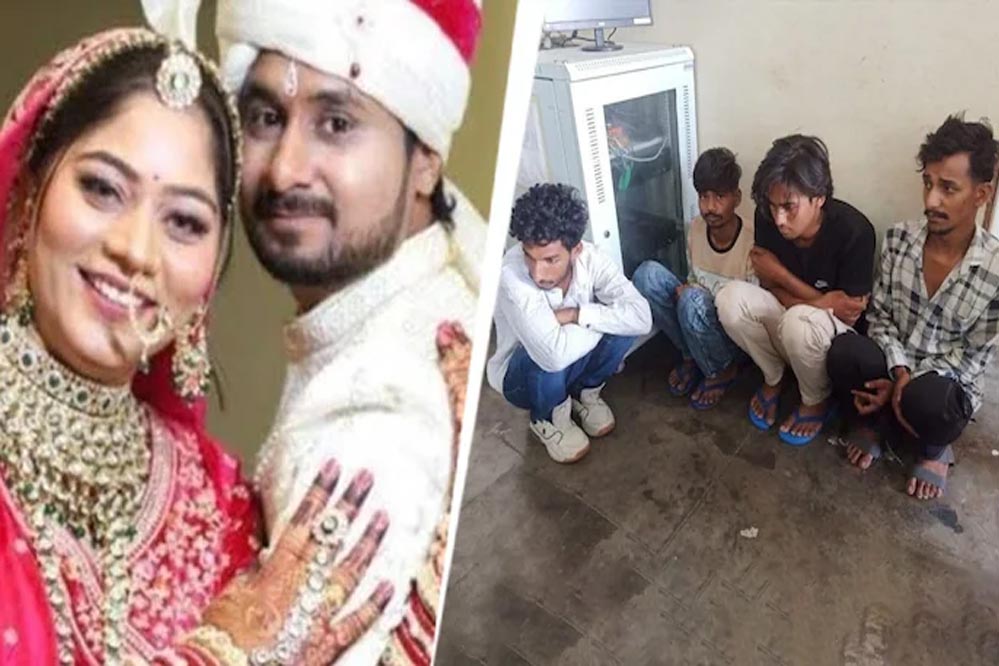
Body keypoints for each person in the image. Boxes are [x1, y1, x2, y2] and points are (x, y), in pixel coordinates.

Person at [0, 27, 396, 665]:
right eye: (102, 188)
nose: (135, 250)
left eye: (184, 221)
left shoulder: (218, 504)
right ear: (28, 193)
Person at [210, 1, 487, 663]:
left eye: (336, 124)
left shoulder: (374, 419)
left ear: (426, 161)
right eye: (265, 118)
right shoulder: (402, 311)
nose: (285, 170)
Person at [827, 115, 999, 500]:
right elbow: (881, 317)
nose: (931, 200)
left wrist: (907, 386)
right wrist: (899, 372)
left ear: (981, 195)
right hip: (895, 366)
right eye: (928, 183)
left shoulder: (995, 270)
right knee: (844, 350)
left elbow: (972, 359)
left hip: (939, 387)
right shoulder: (898, 240)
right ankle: (876, 422)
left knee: (932, 400)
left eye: (948, 188)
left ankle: (933, 450)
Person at [715, 134, 876, 446]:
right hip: (791, 325)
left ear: (819, 197)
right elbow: (768, 287)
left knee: (799, 322)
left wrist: (782, 276)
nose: (779, 219)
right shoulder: (766, 217)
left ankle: (816, 399)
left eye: (789, 207)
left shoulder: (854, 231)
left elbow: (849, 316)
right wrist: (823, 300)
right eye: (773, 206)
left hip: (828, 342)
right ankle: (773, 377)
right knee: (729, 298)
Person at [487, 183, 652, 463]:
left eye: (551, 260)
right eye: (529, 256)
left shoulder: (591, 257)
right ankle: (547, 419)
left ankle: (584, 392)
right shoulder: (511, 274)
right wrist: (601, 317)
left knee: (623, 326)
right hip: (521, 378)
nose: (537, 273)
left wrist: (577, 315)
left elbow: (642, 318)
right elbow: (552, 355)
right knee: (545, 350)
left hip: (571, 357)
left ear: (575, 249)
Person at [633, 147, 753, 410]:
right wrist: (689, 290)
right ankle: (692, 356)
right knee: (646, 275)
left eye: (719, 196)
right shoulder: (697, 227)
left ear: (736, 198)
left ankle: (721, 370)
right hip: (695, 317)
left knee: (692, 300)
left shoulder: (752, 240)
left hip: (732, 338)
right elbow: (694, 277)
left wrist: (694, 295)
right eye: (703, 196)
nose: (710, 207)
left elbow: (749, 316)